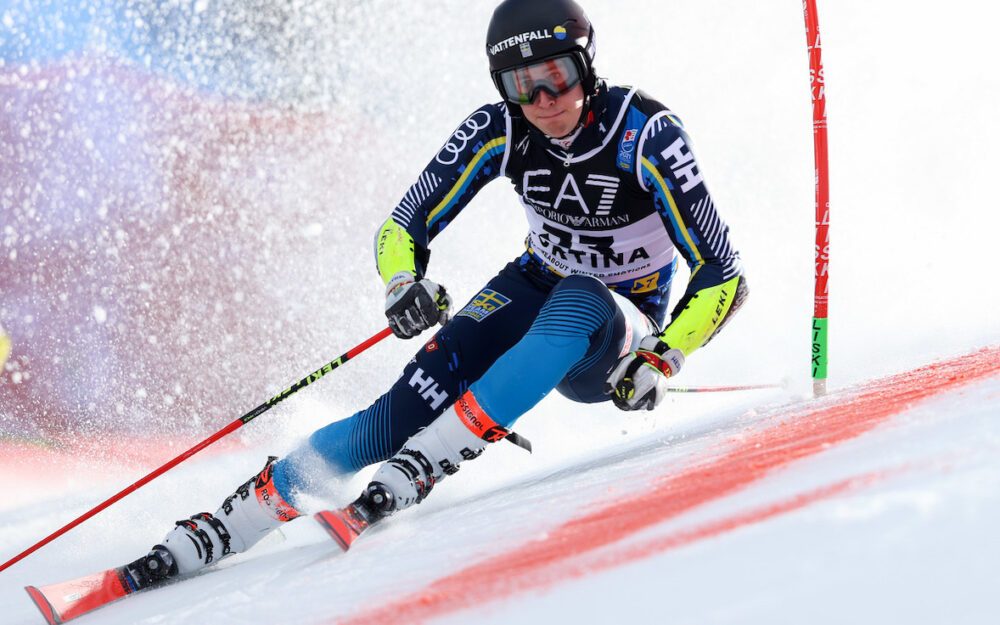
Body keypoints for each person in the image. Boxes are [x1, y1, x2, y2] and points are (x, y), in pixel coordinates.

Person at [124, 0, 747, 586]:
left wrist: (664, 354)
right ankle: (226, 524)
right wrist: (404, 282)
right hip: (533, 283)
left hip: (615, 331)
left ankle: (427, 462)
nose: (543, 99)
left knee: (581, 292)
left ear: (587, 64)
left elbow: (725, 274)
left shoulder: (646, 134)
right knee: (394, 415)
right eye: (520, 84)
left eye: (557, 75)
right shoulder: (500, 127)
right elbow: (403, 225)